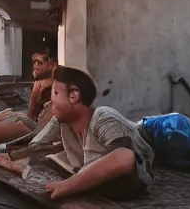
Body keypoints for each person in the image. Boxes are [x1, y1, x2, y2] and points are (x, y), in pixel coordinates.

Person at [26, 65, 155, 200]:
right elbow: (36, 143)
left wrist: (67, 186)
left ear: (73, 96)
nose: (51, 100)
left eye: (56, 93)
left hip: (152, 136)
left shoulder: (102, 117)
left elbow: (125, 157)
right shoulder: (64, 121)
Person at [0, 52, 56, 147]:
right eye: (34, 62)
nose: (35, 66)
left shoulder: (49, 85)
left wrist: (18, 117)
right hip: (35, 125)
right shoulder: (41, 82)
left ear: (51, 65)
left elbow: (34, 117)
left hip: (35, 131)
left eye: (40, 63)